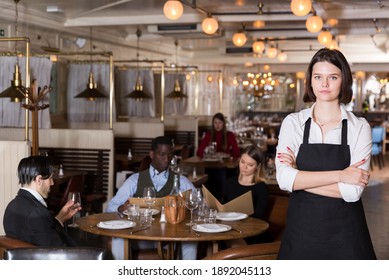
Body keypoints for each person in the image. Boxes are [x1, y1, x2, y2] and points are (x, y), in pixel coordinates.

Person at [276, 48, 376, 260]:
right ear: (310, 81)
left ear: (344, 81)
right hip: (301, 233)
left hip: (347, 237)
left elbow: (352, 193)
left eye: (333, 77)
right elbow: (284, 180)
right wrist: (341, 176)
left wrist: (300, 179)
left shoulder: (359, 127)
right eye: (318, 77)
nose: (324, 84)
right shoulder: (293, 123)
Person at [106, 136, 197, 260]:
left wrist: (185, 208)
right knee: (118, 240)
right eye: (162, 154)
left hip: (170, 238)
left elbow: (200, 205)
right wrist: (122, 208)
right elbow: (110, 207)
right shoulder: (134, 180)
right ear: (152, 154)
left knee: (190, 242)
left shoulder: (181, 181)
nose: (166, 159)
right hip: (142, 237)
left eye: (169, 155)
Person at [3, 155, 81, 247]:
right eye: (50, 178)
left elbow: (38, 232)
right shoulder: (38, 212)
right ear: (39, 180)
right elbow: (58, 251)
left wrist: (61, 217)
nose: (52, 183)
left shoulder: (11, 206)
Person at [223, 145, 269, 245]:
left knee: (228, 241)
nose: (244, 167)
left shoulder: (261, 188)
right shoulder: (230, 183)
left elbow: (259, 217)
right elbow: (223, 207)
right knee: (210, 242)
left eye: (250, 164)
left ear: (258, 167)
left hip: (251, 233)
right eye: (242, 162)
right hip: (228, 228)